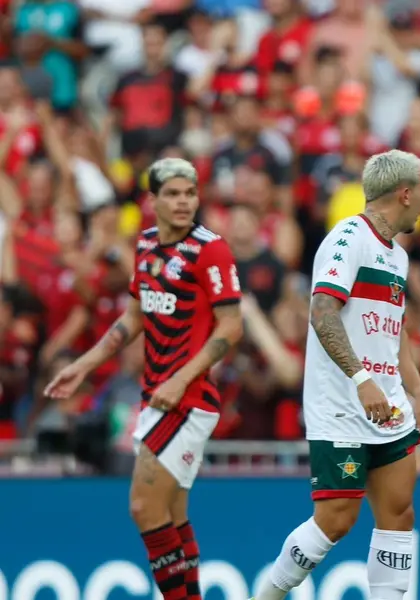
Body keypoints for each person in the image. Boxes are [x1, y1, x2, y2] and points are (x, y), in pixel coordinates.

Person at [45, 158, 244, 600]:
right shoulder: (147, 244)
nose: (183, 202)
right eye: (172, 194)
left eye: (190, 193)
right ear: (151, 200)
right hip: (158, 396)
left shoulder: (210, 249)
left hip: (188, 399)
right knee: (172, 516)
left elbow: (231, 327)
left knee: (142, 507)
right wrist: (84, 364)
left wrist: (179, 380)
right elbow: (134, 317)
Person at [252, 150, 420, 600]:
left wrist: (417, 391)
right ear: (405, 193)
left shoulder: (397, 256)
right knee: (336, 519)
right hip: (341, 403)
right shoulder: (347, 236)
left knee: (399, 515)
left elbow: (397, 328)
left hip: (389, 404)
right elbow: (321, 312)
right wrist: (361, 379)